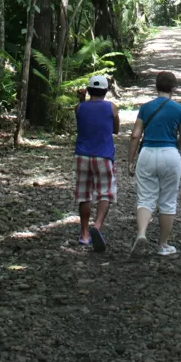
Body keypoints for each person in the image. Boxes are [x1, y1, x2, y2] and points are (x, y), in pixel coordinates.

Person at [127, 70, 181, 258]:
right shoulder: (179, 109)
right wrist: (175, 147)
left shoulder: (145, 108)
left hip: (147, 154)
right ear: (174, 88)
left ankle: (141, 234)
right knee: (168, 202)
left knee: (145, 198)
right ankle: (163, 245)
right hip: (170, 154)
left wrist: (130, 160)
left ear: (156, 86)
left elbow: (135, 135)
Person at [74, 74, 119, 252]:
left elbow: (83, 117)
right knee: (105, 193)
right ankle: (97, 226)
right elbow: (116, 130)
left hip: (82, 156)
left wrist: (82, 98)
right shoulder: (112, 108)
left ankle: (84, 234)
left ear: (90, 89)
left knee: (84, 195)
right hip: (104, 156)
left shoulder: (79, 108)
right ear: (106, 91)